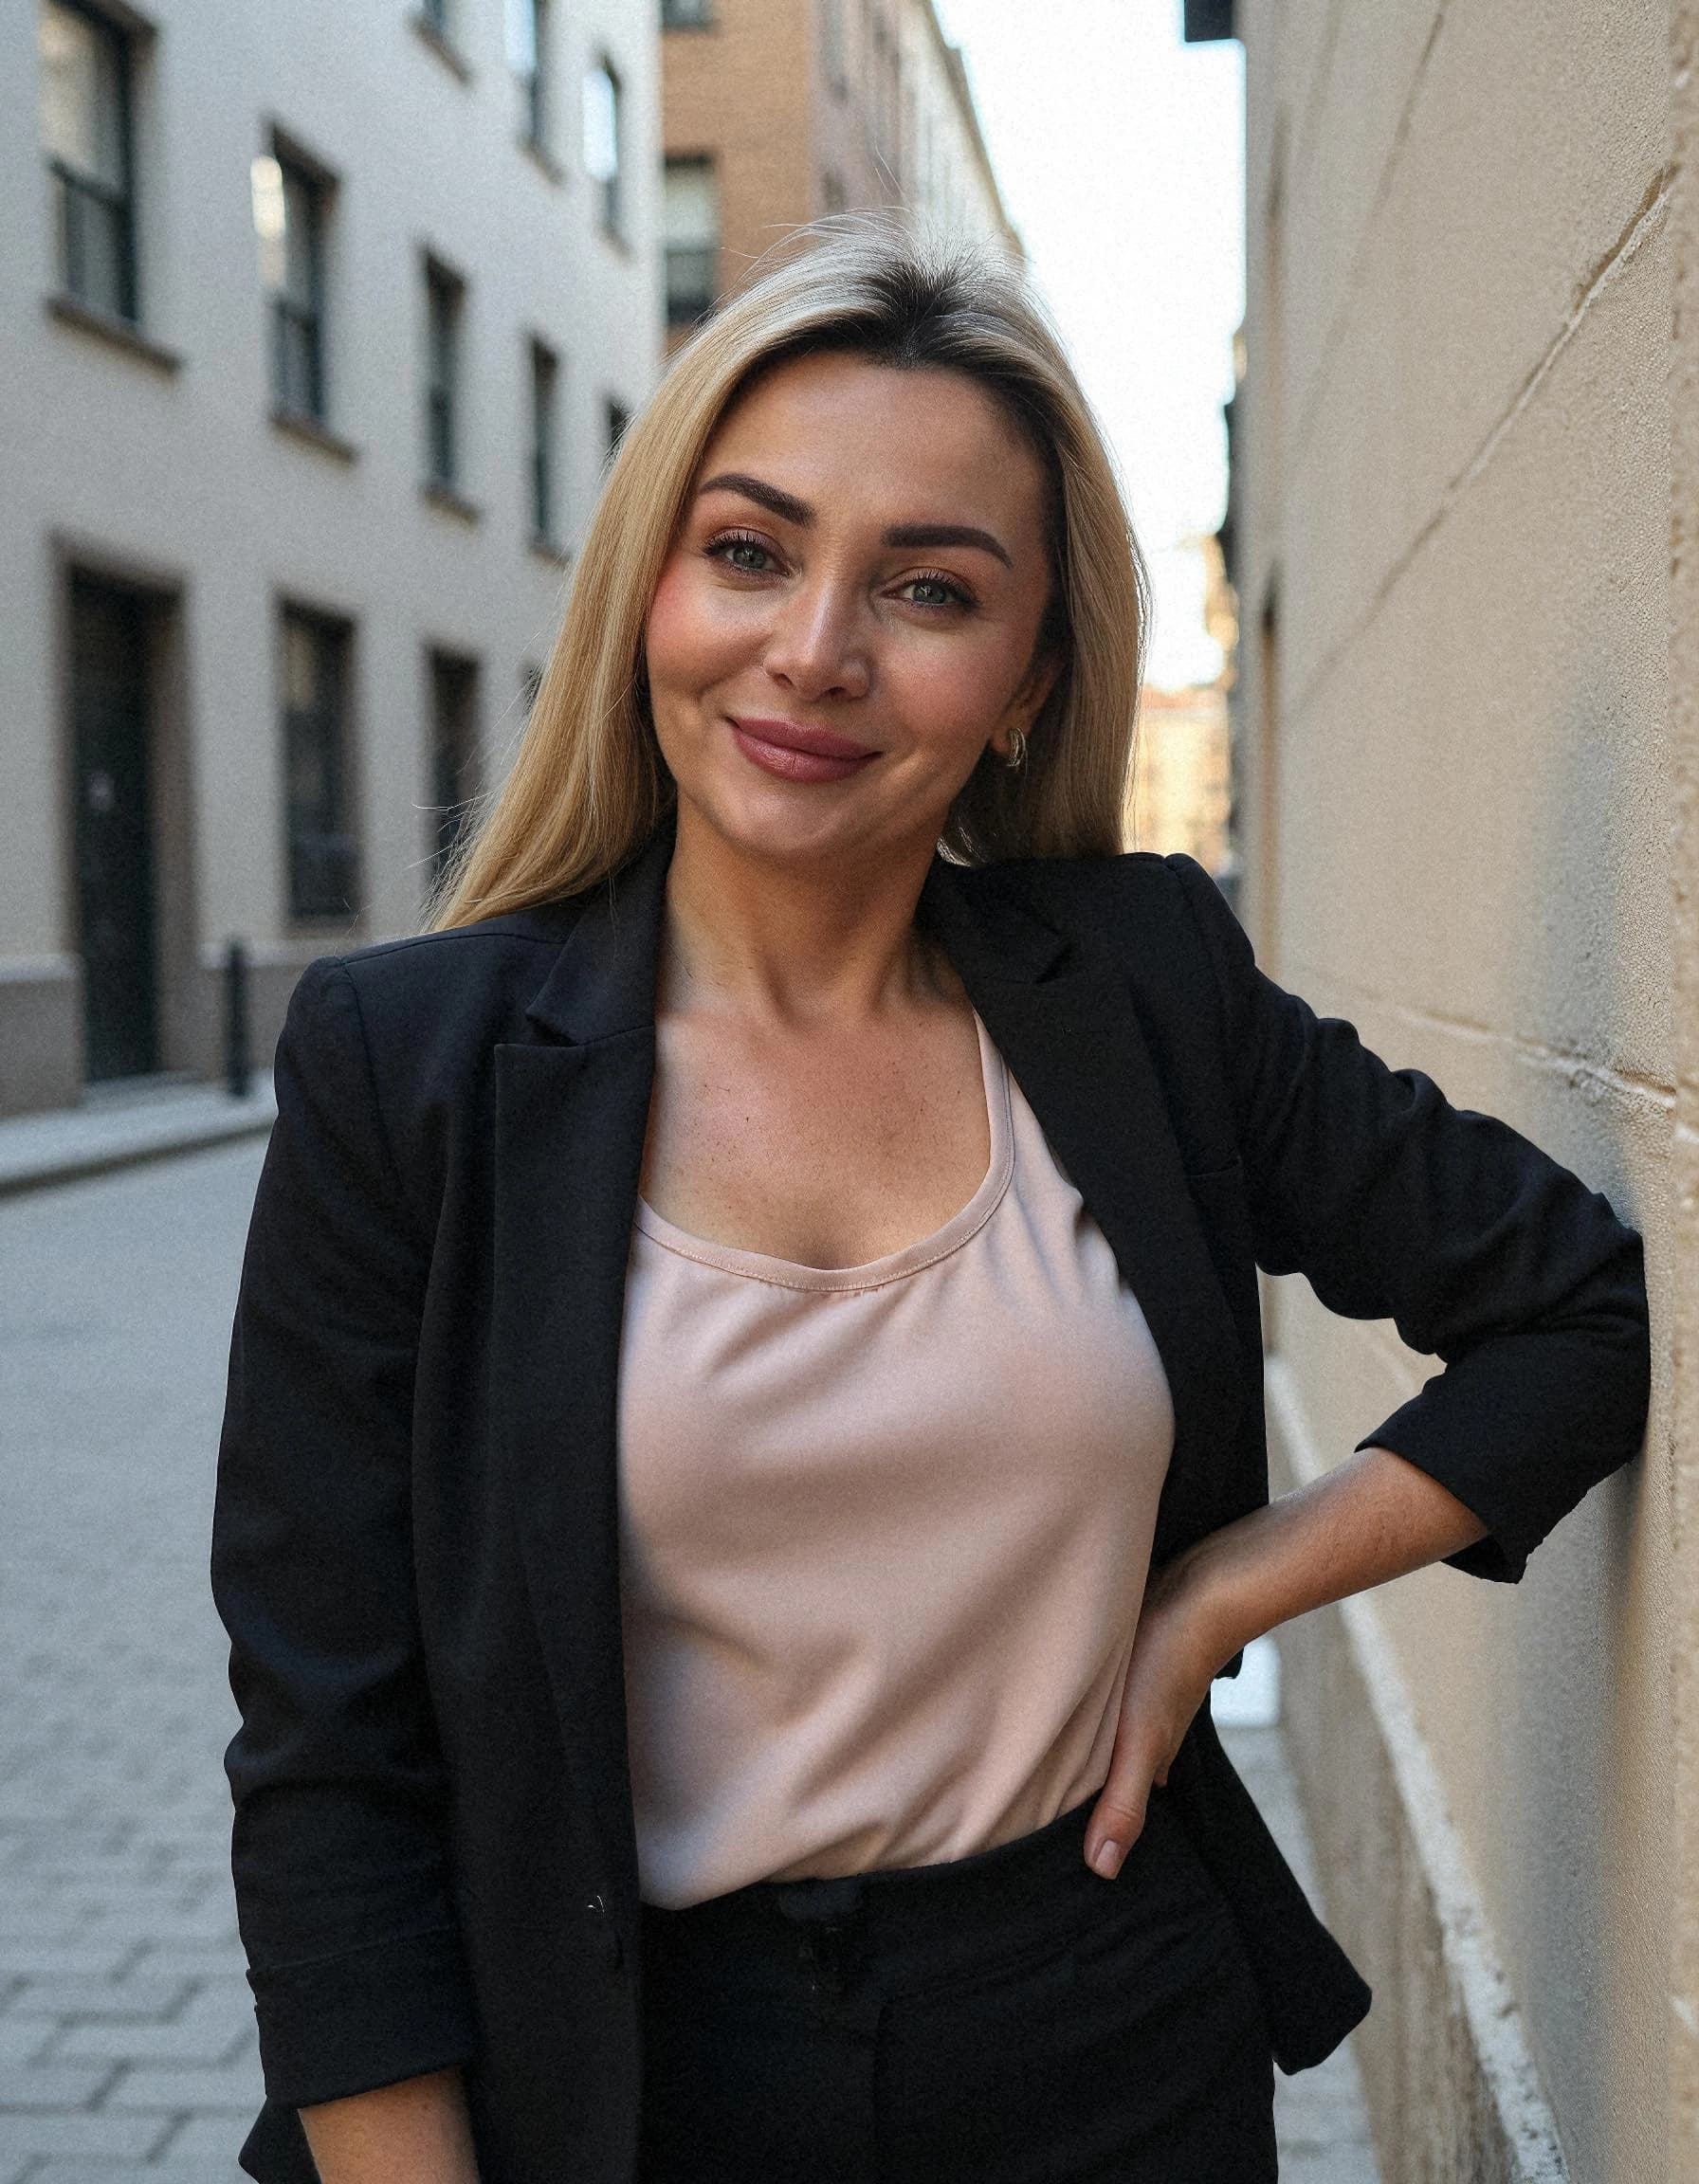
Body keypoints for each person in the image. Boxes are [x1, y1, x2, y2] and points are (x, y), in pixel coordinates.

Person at [212, 222, 1651, 2184]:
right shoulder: (408, 1065)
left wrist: (1223, 1589)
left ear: (1030, 675)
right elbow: (328, 1761)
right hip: (613, 2078)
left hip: (1104, 2036)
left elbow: (1569, 1310)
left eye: (928, 587)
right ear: (648, 587)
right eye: (748, 551)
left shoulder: (1140, 986)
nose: (815, 648)